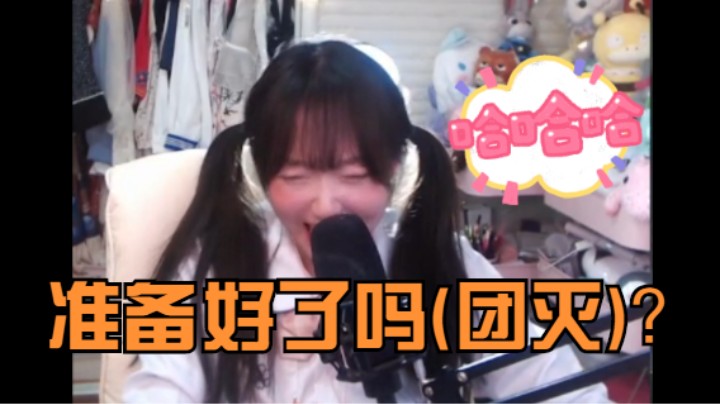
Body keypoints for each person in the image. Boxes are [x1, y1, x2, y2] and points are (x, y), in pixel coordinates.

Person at [123, 39, 610, 403]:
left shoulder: (439, 261)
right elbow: (160, 389)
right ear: (262, 174)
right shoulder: (217, 266)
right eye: (295, 176)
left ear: (395, 168)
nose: (325, 206)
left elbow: (561, 386)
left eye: (354, 176)